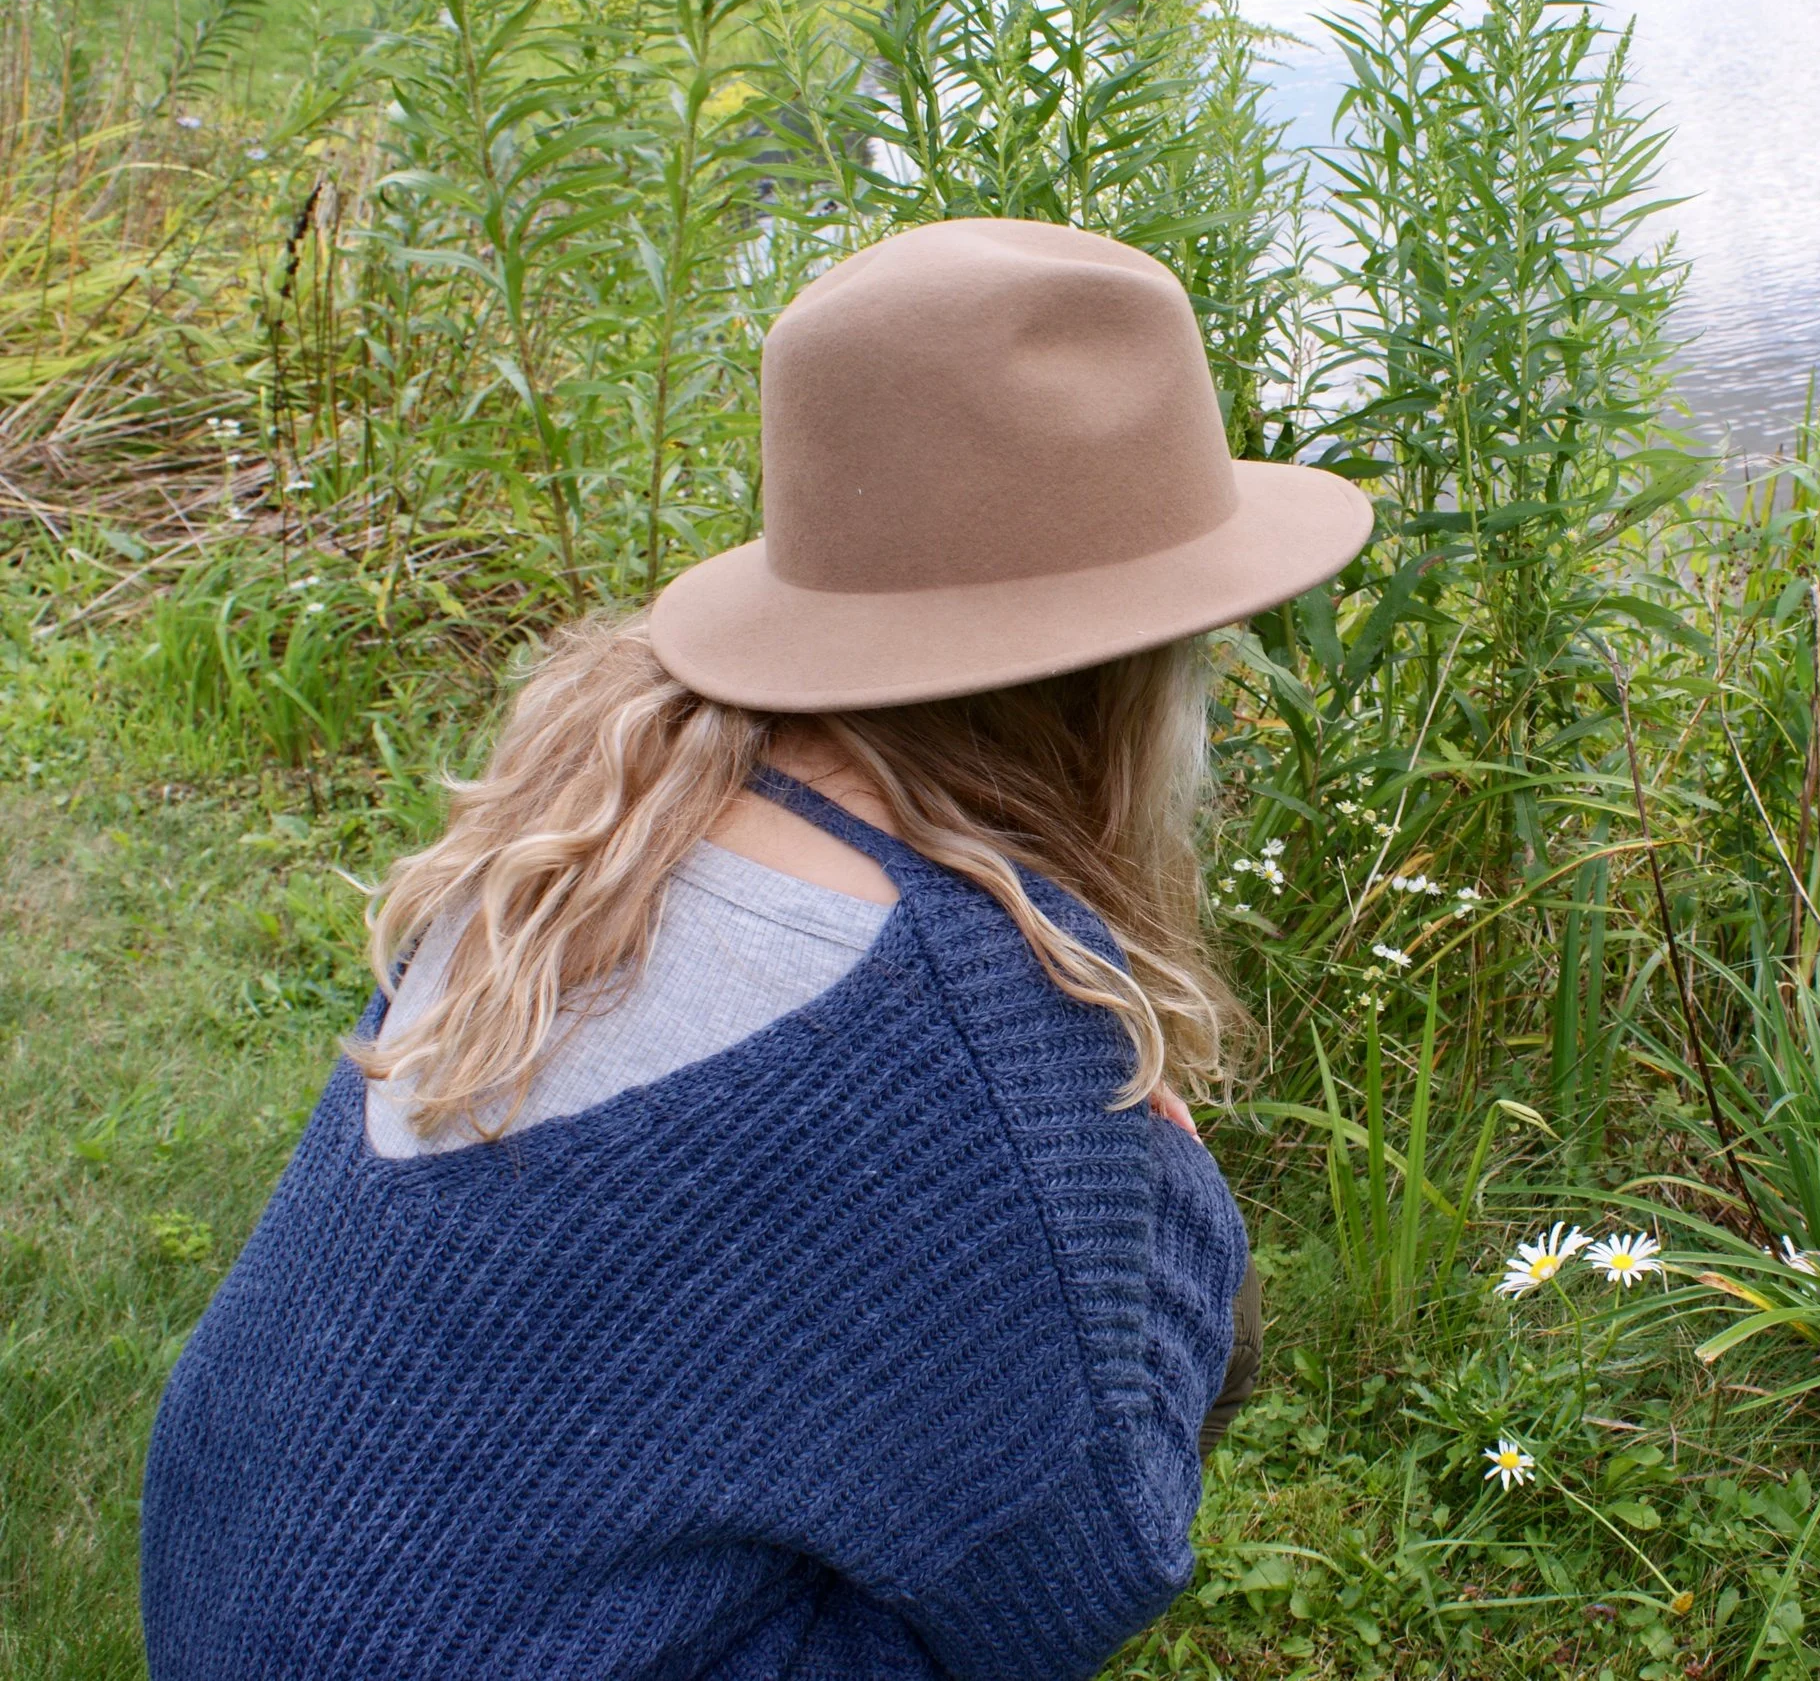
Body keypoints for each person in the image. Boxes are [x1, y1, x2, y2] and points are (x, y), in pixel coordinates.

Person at [137, 217, 1373, 1680]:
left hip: (235, 1611)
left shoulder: (591, 821)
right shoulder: (974, 1032)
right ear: (1130, 678)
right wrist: (1162, 1194)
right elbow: (1084, 1573)